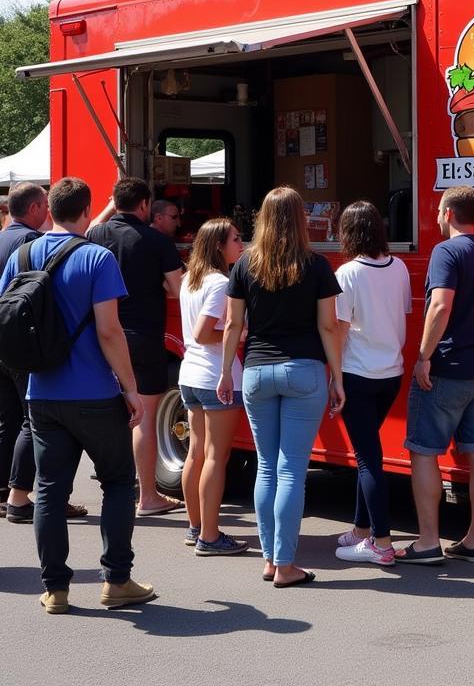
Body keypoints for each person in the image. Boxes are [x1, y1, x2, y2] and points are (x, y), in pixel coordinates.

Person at [0, 177, 155, 614]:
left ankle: (56, 589)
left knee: (48, 489)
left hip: (41, 391)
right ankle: (117, 581)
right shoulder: (96, 257)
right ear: (87, 211)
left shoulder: (22, 254)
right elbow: (109, 330)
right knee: (119, 483)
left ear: (48, 208)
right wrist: (130, 388)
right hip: (94, 393)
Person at [217, 186, 342, 587]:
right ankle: (286, 565)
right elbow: (327, 325)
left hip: (256, 371)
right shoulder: (316, 265)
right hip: (304, 370)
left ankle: (271, 559)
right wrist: (337, 375)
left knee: (266, 468)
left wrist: (224, 373)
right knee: (292, 471)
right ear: (300, 219)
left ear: (262, 219)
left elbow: (234, 326)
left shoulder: (245, 265)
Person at [396, 185, 474, 565]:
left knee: (423, 452)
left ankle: (428, 542)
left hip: (448, 370)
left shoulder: (445, 252)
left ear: (448, 213)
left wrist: (423, 356)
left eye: (438, 211)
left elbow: (440, 306)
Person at [88, 177, 184, 516]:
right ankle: (148, 497)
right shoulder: (156, 240)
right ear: (145, 206)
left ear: (116, 203)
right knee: (144, 418)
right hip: (143, 338)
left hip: (102, 335)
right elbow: (177, 289)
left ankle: (117, 488)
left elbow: (88, 231)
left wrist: (109, 206)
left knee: (111, 417)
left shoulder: (95, 236)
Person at [0, 182, 87, 524]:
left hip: (4, 339)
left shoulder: (3, 237)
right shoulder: (29, 243)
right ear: (36, 208)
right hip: (27, 342)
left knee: (8, 421)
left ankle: (7, 493)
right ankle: (24, 496)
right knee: (32, 421)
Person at [332, 201, 411, 568]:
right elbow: (402, 314)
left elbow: (341, 327)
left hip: (357, 373)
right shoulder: (400, 267)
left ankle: (380, 542)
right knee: (371, 455)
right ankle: (361, 530)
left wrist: (333, 376)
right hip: (391, 373)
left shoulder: (347, 273)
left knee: (368, 459)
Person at [177, 218, 248, 555]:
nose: (242, 243)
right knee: (216, 457)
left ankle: (196, 528)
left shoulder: (191, 277)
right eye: (236, 238)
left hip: (190, 374)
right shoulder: (220, 282)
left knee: (197, 451)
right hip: (215, 376)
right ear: (219, 245)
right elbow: (205, 333)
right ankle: (210, 535)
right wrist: (239, 333)